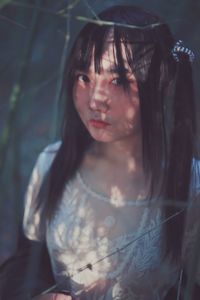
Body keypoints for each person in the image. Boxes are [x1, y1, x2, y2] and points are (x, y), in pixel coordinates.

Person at [22, 4, 200, 300]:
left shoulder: (191, 185)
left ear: (159, 84)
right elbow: (26, 264)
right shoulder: (52, 162)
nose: (96, 99)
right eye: (84, 76)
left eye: (118, 80)